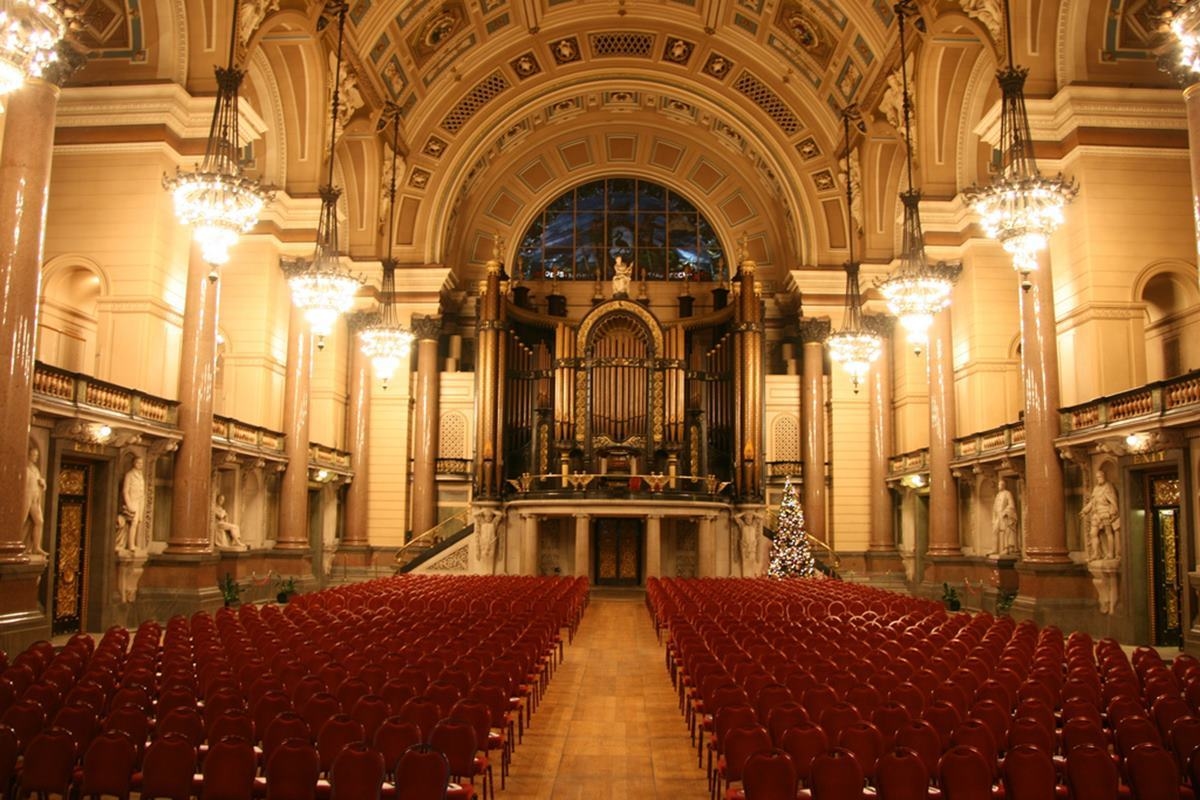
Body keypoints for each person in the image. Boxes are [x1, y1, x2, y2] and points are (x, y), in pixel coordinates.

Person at [1081, 468, 1120, 562]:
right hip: (1096, 514)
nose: (1099, 478)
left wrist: (1114, 511)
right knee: (1093, 533)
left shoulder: (1108, 486)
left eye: (1100, 476)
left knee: (1108, 533)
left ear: (1104, 476)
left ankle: (1111, 553)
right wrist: (1085, 510)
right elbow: (1092, 502)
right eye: (1097, 477)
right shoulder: (1096, 488)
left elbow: (1113, 500)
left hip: (1105, 513)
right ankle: (1096, 554)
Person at [115, 456, 145, 554]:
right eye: (138, 463)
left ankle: (134, 543)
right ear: (134, 463)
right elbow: (125, 491)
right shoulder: (129, 475)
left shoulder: (141, 476)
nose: (140, 465)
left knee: (137, 522)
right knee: (133, 522)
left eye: (141, 463)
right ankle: (131, 545)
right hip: (132, 501)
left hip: (139, 501)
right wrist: (129, 504)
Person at [22, 446, 47, 557]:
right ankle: (17, 545)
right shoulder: (24, 468)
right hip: (26, 498)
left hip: (35, 499)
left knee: (39, 522)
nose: (36, 457)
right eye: (34, 455)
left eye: (37, 455)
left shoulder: (35, 469)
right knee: (21, 521)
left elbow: (41, 485)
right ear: (28, 455)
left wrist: (43, 483)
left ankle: (36, 547)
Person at [991, 478, 1017, 556]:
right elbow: (994, 507)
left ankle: (1006, 549)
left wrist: (1006, 512)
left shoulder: (1007, 493)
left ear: (1004, 485)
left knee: (1006, 532)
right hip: (998, 516)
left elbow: (1011, 504)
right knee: (995, 531)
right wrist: (994, 517)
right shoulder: (998, 495)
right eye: (999, 484)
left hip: (1004, 515)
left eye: (1001, 484)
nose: (999, 486)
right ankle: (994, 549)